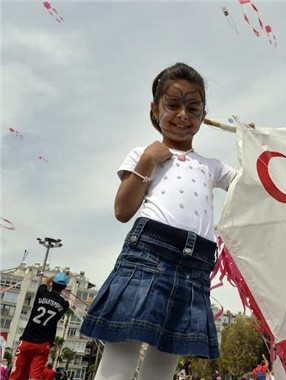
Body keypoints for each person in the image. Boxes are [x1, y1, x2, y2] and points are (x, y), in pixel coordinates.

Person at [79, 62, 238, 380]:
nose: (183, 115)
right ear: (155, 110)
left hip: (196, 266)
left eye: (193, 107)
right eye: (173, 105)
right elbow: (123, 210)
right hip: (148, 254)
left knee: (163, 367)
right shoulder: (143, 153)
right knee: (119, 359)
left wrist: (262, 147)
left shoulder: (212, 165)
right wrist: (147, 161)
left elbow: (252, 185)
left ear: (203, 115)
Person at [9, 272, 70, 380]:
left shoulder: (42, 293)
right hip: (44, 343)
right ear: (64, 287)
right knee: (35, 376)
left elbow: (45, 281)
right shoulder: (64, 304)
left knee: (16, 372)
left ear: (52, 284)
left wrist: (59, 273)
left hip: (27, 339)